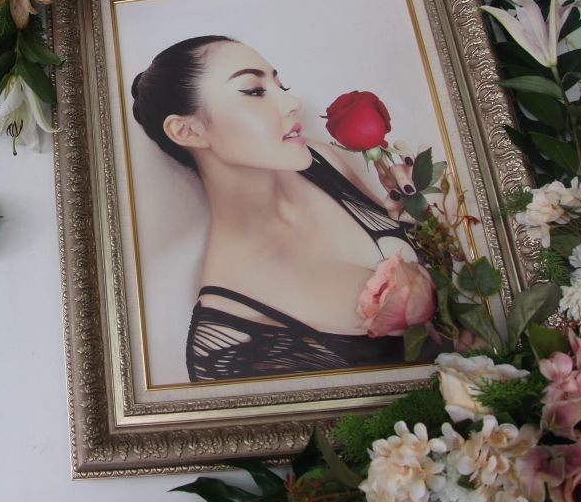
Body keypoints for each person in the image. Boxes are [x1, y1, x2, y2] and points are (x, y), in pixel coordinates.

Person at [130, 35, 424, 382]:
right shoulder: (230, 341)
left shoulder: (321, 161)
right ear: (187, 131)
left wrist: (420, 216)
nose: (292, 102)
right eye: (254, 91)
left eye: (281, 86)